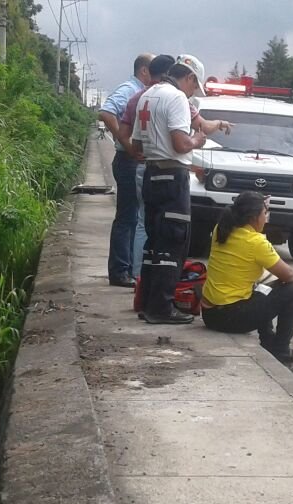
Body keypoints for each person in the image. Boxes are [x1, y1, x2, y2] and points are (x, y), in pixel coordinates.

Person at [130, 59, 208, 324]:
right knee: (173, 242)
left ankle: (147, 302)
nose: (191, 94)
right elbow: (181, 142)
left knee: (154, 244)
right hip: (172, 177)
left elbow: (136, 145)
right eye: (193, 88)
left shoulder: (146, 96)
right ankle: (162, 309)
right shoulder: (176, 98)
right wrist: (198, 139)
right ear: (189, 77)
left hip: (151, 174)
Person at [201, 192, 293, 363]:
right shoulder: (256, 242)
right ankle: (281, 349)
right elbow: (289, 275)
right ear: (253, 217)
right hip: (229, 318)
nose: (266, 219)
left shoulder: (221, 230)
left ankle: (268, 340)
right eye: (264, 213)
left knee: (263, 286)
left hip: (209, 313)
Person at [119, 54, 176, 278]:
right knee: (158, 223)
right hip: (163, 169)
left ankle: (137, 274)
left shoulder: (138, 98)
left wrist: (136, 153)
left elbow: (125, 134)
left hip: (143, 166)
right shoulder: (172, 97)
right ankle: (148, 275)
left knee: (142, 221)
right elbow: (191, 129)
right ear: (167, 75)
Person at [99, 53, 154, 287]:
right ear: (144, 71)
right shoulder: (130, 89)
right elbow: (106, 111)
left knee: (134, 217)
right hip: (127, 160)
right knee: (127, 218)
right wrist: (127, 143)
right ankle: (120, 271)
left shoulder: (140, 91)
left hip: (131, 160)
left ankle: (127, 268)